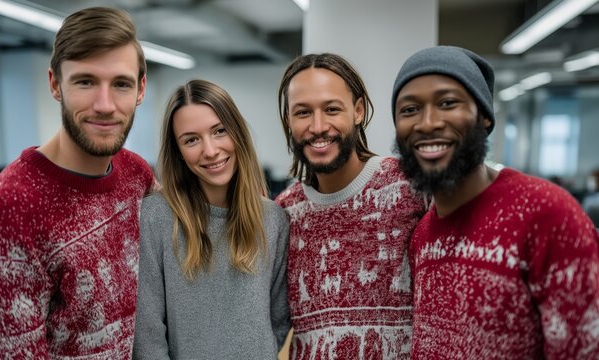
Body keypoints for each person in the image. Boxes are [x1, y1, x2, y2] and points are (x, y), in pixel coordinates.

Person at [0, 7, 154, 358]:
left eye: (121, 84)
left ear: (140, 89)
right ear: (54, 84)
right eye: (85, 81)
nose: (105, 104)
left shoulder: (135, 174)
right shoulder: (9, 213)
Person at [392, 45, 599, 359]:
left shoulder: (546, 213)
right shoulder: (421, 236)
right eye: (409, 110)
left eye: (448, 103)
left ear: (484, 117)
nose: (428, 122)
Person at [275, 53, 428, 358]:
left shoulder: (411, 185)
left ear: (357, 111)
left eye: (331, 109)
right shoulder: (283, 213)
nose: (318, 127)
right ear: (289, 121)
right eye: (303, 112)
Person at [133, 79, 291, 359]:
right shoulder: (155, 217)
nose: (210, 150)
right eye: (191, 139)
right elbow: (147, 337)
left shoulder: (274, 219)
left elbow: (277, 322)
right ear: (179, 152)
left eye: (219, 131)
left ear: (238, 133)